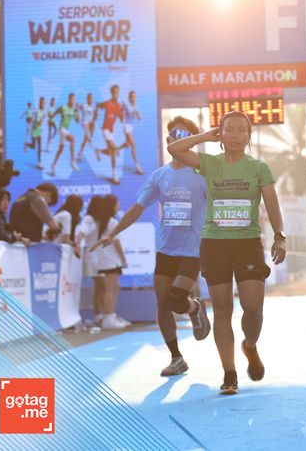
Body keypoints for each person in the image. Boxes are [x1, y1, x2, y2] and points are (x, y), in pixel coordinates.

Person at [167, 111, 286, 395]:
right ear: (221, 135)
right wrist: (205, 137)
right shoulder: (210, 163)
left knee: (253, 308)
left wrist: (279, 237)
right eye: (228, 130)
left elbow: (271, 203)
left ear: (248, 136)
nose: (235, 135)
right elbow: (174, 149)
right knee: (222, 309)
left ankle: (250, 346)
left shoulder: (258, 168)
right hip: (215, 243)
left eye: (241, 130)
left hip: (247, 243)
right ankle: (229, 373)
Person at [91, 117, 211, 376]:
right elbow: (137, 208)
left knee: (176, 299)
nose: (177, 139)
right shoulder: (159, 176)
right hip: (166, 250)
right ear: (168, 140)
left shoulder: (202, 174)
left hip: (193, 249)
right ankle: (176, 357)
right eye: (174, 135)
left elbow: (217, 208)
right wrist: (112, 233)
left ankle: (193, 307)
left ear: (191, 142)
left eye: (184, 136)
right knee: (162, 303)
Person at [89, 195, 128, 330]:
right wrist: (123, 259)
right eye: (117, 204)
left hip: (104, 259)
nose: (118, 207)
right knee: (111, 289)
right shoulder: (112, 222)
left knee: (112, 288)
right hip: (111, 260)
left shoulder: (100, 222)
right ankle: (109, 317)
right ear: (112, 206)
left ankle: (110, 316)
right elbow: (117, 243)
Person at [75, 196, 106, 326]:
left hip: (101, 257)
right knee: (101, 286)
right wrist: (77, 243)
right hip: (92, 257)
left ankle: (101, 315)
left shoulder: (103, 220)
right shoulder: (89, 219)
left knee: (101, 287)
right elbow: (82, 232)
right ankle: (100, 315)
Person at [94, 85, 123, 185]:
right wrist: (95, 114)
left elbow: (121, 119)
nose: (116, 94)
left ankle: (98, 151)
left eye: (117, 92)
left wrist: (123, 114)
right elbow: (98, 105)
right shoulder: (107, 103)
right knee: (114, 150)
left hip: (111, 131)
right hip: (105, 129)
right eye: (114, 92)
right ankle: (114, 176)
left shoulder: (118, 106)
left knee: (110, 152)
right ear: (111, 93)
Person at [49, 93, 80, 176]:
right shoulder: (63, 107)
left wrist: (77, 111)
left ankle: (53, 165)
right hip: (61, 129)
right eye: (72, 99)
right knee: (72, 139)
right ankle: (72, 161)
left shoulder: (73, 110)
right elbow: (54, 113)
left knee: (61, 149)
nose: (73, 101)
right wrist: (50, 120)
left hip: (66, 130)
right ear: (69, 99)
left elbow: (78, 121)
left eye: (74, 100)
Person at [119, 90, 143, 175]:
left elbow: (139, 118)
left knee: (127, 144)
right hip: (126, 126)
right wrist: (122, 109)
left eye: (135, 96)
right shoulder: (126, 105)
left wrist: (137, 113)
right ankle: (137, 166)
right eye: (132, 96)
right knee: (133, 144)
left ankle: (117, 150)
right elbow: (121, 117)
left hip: (131, 127)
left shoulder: (136, 107)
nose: (134, 98)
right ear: (129, 98)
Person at [25, 96, 46, 169]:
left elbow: (40, 124)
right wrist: (43, 118)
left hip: (39, 131)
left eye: (44, 103)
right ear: (39, 103)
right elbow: (37, 123)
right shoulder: (37, 111)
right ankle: (27, 144)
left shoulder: (43, 112)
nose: (43, 104)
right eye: (42, 102)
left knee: (40, 147)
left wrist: (42, 128)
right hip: (34, 130)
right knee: (33, 146)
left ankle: (39, 163)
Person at [77, 93, 96, 162]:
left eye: (91, 98)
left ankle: (80, 153)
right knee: (87, 136)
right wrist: (77, 109)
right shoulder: (84, 105)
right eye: (89, 98)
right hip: (84, 123)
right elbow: (78, 107)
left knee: (85, 140)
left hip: (89, 123)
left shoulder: (92, 107)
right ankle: (90, 139)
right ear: (87, 99)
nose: (91, 100)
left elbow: (94, 115)